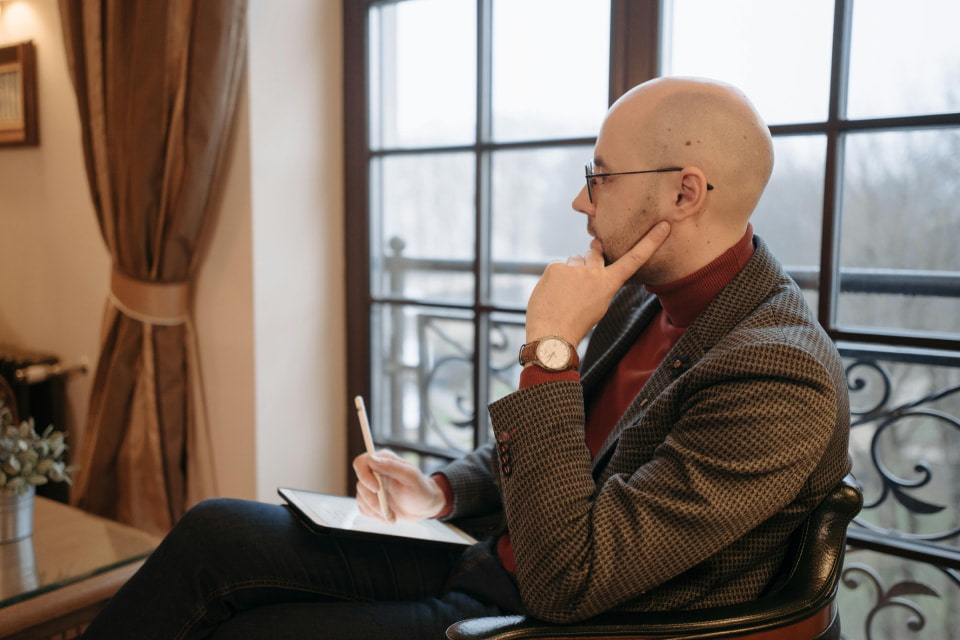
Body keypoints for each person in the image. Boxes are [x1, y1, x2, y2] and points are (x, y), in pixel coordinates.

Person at [81, 77, 850, 639]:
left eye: (600, 177)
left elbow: (569, 582)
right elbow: (574, 443)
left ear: (685, 195)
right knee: (216, 532)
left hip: (551, 616)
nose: (582, 202)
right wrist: (442, 493)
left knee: (250, 632)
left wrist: (549, 351)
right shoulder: (646, 291)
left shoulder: (776, 376)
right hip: (491, 553)